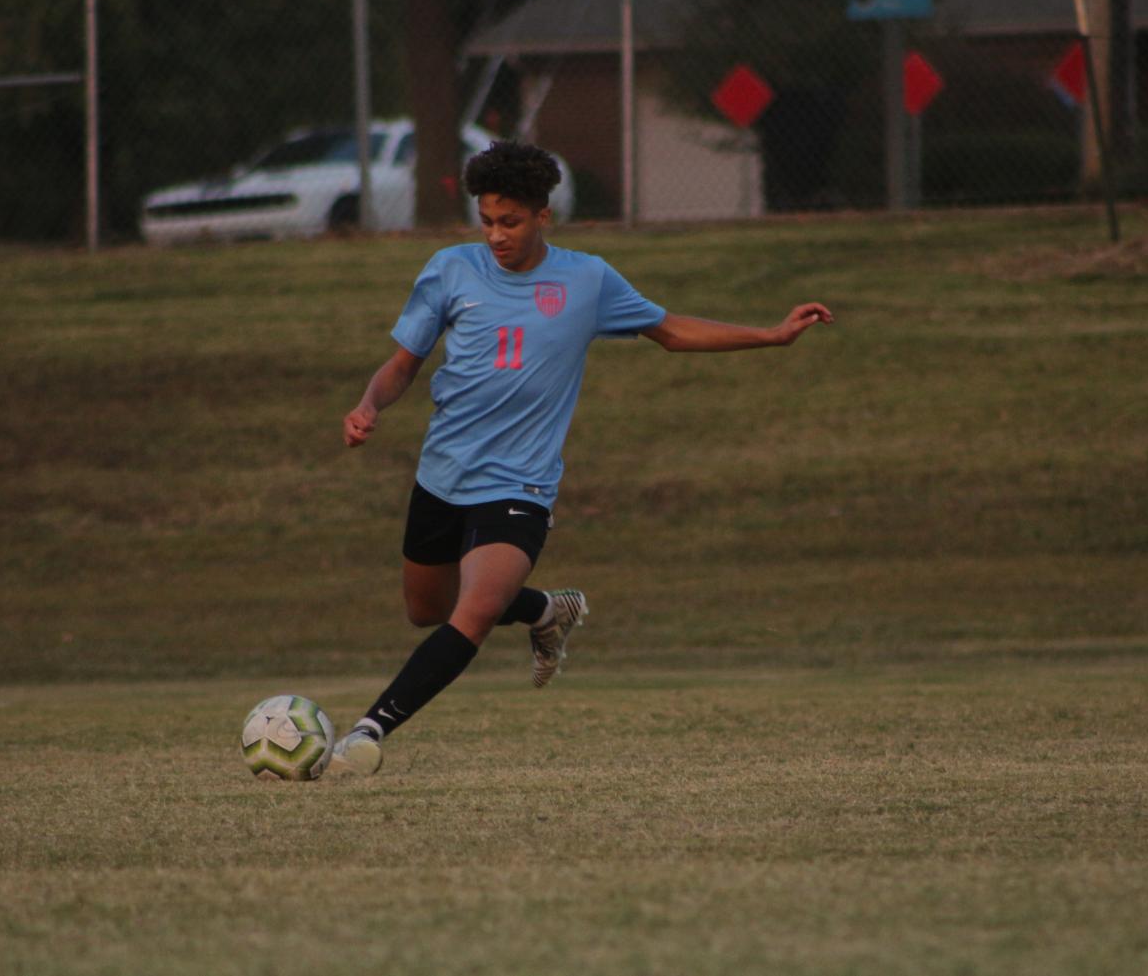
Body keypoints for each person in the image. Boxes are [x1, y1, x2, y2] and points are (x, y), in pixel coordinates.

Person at [331, 141, 832, 775]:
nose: (495, 235)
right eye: (486, 220)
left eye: (509, 221)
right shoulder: (450, 269)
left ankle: (367, 732)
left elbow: (670, 331)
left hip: (520, 483)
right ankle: (545, 609)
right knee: (426, 610)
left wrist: (772, 334)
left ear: (543, 215)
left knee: (474, 612)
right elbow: (403, 365)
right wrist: (369, 405)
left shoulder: (587, 279)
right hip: (442, 475)